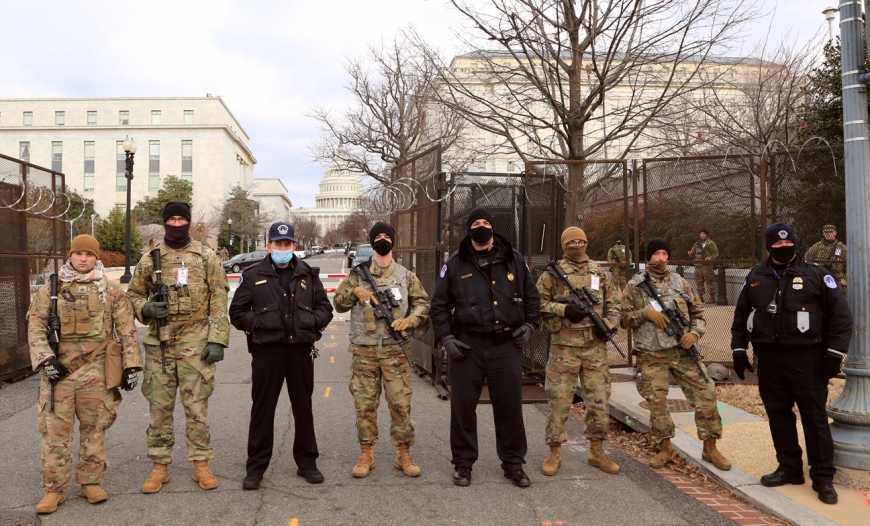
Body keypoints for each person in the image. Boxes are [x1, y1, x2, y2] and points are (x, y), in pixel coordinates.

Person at [730, 223, 852, 505]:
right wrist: (739, 350)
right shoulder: (756, 276)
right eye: (778, 246)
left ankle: (822, 476)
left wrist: (834, 355)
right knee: (779, 416)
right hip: (770, 360)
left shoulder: (818, 275)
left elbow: (841, 318)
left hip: (807, 360)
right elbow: (740, 316)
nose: (784, 249)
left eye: (788, 246)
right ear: (769, 247)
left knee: (814, 418)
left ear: (795, 245)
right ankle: (789, 467)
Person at [27, 235, 142, 514]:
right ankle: (54, 489)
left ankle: (90, 482)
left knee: (95, 429)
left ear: (95, 257)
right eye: (78, 253)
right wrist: (46, 360)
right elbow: (35, 327)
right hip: (59, 373)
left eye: (88, 254)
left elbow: (126, 329)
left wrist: (131, 366)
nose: (82, 258)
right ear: (70, 256)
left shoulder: (111, 291)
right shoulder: (50, 290)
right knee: (55, 433)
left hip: (97, 371)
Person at [430, 207, 541, 488]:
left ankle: (513, 464)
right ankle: (463, 463)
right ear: (468, 230)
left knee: (509, 408)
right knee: (463, 408)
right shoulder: (456, 263)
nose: (482, 227)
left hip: (506, 346)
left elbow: (533, 300)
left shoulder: (514, 260)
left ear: (494, 228)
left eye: (486, 223)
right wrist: (446, 338)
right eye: (476, 223)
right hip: (467, 346)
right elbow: (439, 306)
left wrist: (529, 327)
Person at [128, 201, 230, 494]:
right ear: (164, 223)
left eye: (180, 219)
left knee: (196, 406)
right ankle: (160, 466)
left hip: (195, 343)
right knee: (159, 408)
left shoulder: (206, 256)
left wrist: (217, 339)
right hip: (160, 343)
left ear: (187, 223)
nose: (175, 224)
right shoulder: (151, 258)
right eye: (170, 219)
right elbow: (133, 293)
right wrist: (146, 308)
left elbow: (219, 300)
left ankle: (201, 463)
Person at [230, 222, 334, 490]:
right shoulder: (253, 275)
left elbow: (325, 309)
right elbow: (237, 313)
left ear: (294, 247)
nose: (283, 249)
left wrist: (309, 321)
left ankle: (307, 463)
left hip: (300, 351)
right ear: (269, 246)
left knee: (303, 409)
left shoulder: (309, 275)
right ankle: (255, 468)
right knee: (263, 410)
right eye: (278, 244)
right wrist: (262, 323)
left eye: (288, 244)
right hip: (268, 352)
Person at [620, 238, 730, 472]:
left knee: (707, 393)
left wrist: (695, 333)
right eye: (656, 254)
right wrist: (645, 313)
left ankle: (710, 447)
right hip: (651, 354)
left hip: (683, 352)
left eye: (664, 253)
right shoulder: (635, 285)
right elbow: (623, 319)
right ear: (648, 257)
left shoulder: (681, 283)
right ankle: (664, 448)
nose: (661, 258)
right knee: (657, 403)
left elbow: (699, 312)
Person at [333, 222, 430, 479]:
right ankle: (366, 454)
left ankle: (403, 454)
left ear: (393, 242)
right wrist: (354, 291)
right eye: (379, 236)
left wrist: (411, 320)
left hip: (394, 351)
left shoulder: (405, 275)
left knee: (400, 404)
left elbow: (423, 303)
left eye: (387, 236)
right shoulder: (357, 274)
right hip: (364, 351)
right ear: (372, 241)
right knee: (364, 405)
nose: (383, 239)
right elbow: (338, 304)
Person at [538, 227, 621, 476]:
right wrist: (564, 310)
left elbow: (615, 302)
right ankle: (554, 452)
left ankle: (596, 451)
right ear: (564, 245)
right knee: (559, 401)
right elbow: (537, 303)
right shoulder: (552, 273)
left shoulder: (599, 271)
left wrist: (610, 323)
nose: (577, 244)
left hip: (595, 348)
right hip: (564, 347)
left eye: (581, 240)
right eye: (571, 241)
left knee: (599, 401)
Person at [804, 224, 847, 297]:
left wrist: (845, 279)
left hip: (838, 280)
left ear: (835, 233)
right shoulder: (816, 247)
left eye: (830, 232)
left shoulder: (842, 248)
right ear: (823, 233)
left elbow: (849, 264)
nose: (828, 234)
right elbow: (806, 260)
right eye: (826, 232)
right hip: (820, 279)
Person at [687, 230, 719, 303]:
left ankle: (712, 298)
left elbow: (716, 253)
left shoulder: (710, 243)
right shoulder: (697, 243)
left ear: (706, 235)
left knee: (709, 282)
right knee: (699, 282)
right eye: (701, 233)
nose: (702, 235)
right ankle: (701, 298)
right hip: (697, 266)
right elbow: (693, 253)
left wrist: (710, 258)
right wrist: (690, 253)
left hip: (706, 266)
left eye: (704, 234)